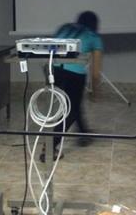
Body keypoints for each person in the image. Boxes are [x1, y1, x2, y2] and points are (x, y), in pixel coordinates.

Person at [41, 11, 103, 161]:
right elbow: (95, 73)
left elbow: (50, 50)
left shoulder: (64, 28)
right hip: (75, 74)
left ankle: (83, 133)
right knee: (72, 110)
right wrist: (95, 91)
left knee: (73, 103)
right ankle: (49, 147)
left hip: (54, 70)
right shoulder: (94, 37)